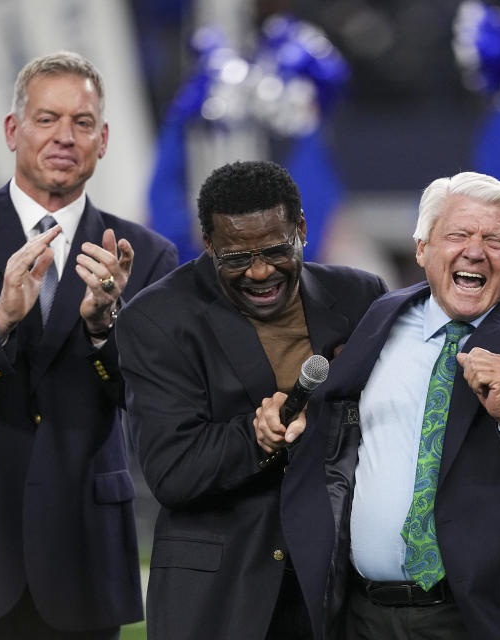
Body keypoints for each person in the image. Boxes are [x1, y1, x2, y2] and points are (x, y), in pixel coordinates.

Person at [0, 51, 178, 639]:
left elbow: (156, 399)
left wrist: (103, 329)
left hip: (81, 558)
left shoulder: (144, 256)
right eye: (47, 119)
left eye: (82, 122)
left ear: (104, 140)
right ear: (14, 130)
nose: (65, 136)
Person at [274, 171, 500, 639]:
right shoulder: (382, 317)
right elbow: (337, 420)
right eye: (458, 234)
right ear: (422, 248)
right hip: (366, 614)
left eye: (495, 240)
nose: (475, 250)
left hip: (488, 618)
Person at [116, 159, 387, 640]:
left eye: (276, 249)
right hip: (222, 600)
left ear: (301, 228)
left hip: (338, 591)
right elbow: (172, 473)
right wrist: (257, 438)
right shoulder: (157, 319)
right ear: (208, 246)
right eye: (235, 258)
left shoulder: (359, 297)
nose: (260, 271)